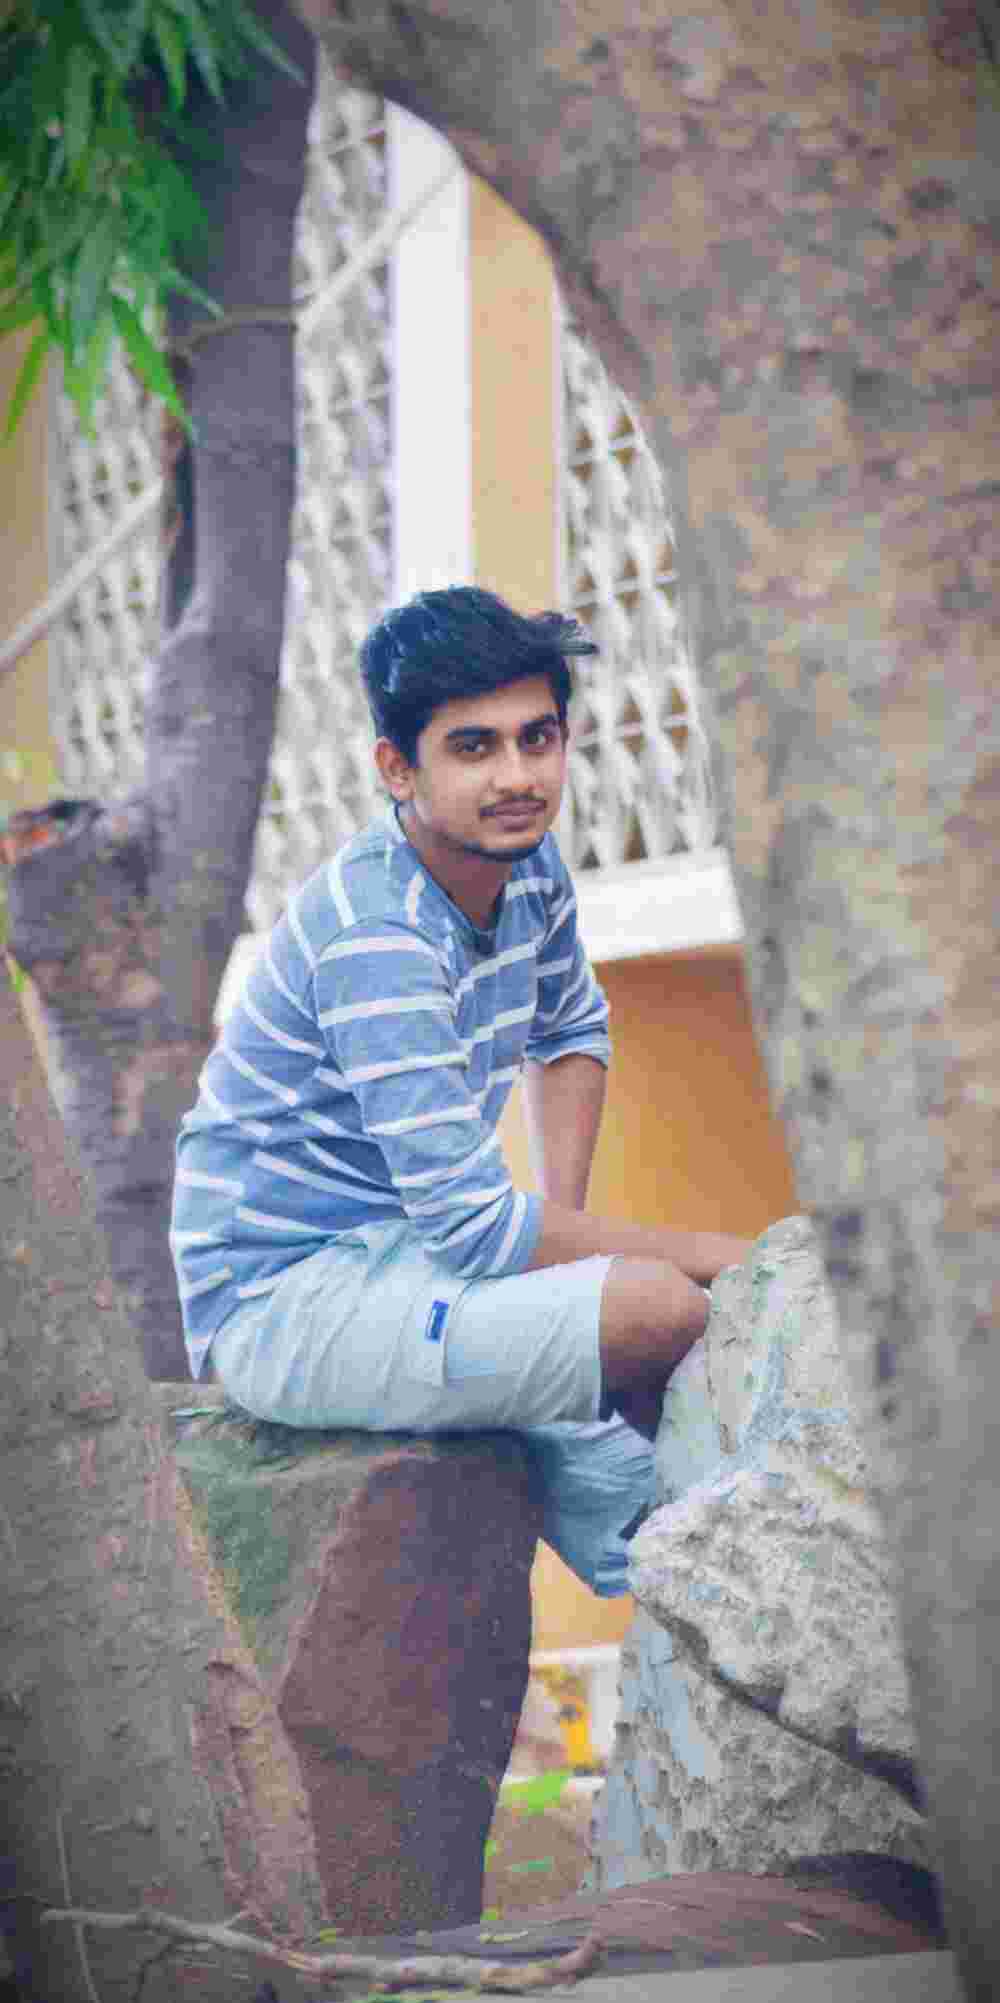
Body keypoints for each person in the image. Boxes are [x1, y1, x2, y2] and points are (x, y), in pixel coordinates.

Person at [170, 587, 749, 1595]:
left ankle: (704, 1610)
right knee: (659, 1305)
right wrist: (728, 1253)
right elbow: (478, 1228)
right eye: (474, 747)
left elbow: (568, 1031)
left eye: (538, 738)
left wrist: (565, 1242)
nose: (517, 776)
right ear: (397, 768)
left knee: (667, 1510)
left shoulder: (526, 866)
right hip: (283, 1298)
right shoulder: (378, 933)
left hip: (414, 1257)